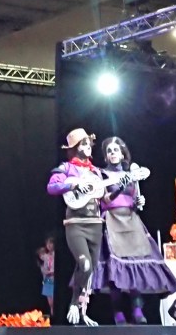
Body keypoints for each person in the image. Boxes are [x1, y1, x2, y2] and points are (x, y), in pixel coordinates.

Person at [92, 136, 176, 325]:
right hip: (112, 220)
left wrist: (139, 202)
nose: (112, 153)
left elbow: (136, 200)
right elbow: (104, 199)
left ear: (122, 153)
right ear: (106, 156)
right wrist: (120, 187)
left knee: (135, 264)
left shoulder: (132, 173)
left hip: (131, 220)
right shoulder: (101, 174)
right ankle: (118, 314)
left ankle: (137, 310)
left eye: (116, 150)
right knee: (115, 268)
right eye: (109, 151)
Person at [46, 128, 107, 326]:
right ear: (75, 148)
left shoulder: (96, 172)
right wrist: (73, 185)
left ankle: (83, 311)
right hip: (76, 224)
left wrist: (123, 187)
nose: (88, 147)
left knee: (90, 271)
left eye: (89, 143)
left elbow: (105, 198)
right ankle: (73, 304)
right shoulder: (66, 168)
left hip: (95, 225)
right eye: (84, 143)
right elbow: (52, 187)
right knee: (85, 264)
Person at [36, 235, 55, 316]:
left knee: (55, 300)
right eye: (47, 244)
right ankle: (52, 315)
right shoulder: (46, 256)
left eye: (51, 243)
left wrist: (52, 271)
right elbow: (43, 267)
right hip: (47, 280)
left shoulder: (56, 255)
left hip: (54, 280)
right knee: (50, 302)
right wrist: (46, 271)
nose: (49, 245)